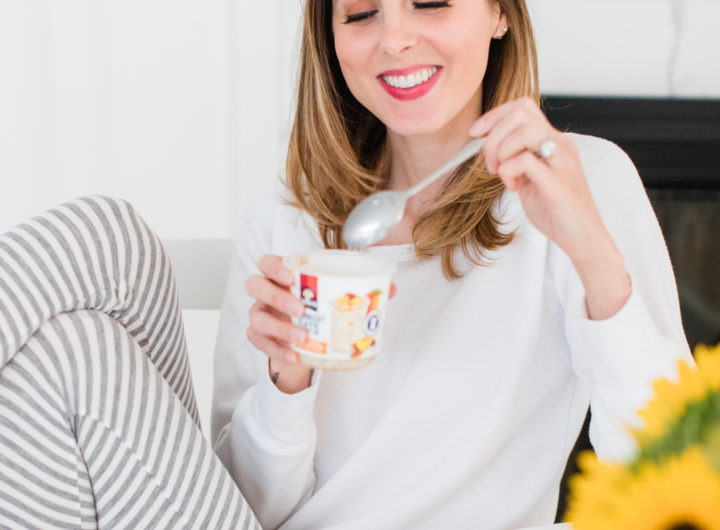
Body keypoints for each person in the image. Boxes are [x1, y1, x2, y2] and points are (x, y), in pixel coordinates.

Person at [211, 0, 692, 529]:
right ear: (328, 37)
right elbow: (238, 512)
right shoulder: (283, 219)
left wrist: (590, 251)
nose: (394, 39)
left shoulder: (582, 182)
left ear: (500, 14)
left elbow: (672, 468)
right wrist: (287, 384)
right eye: (360, 14)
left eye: (431, 3)